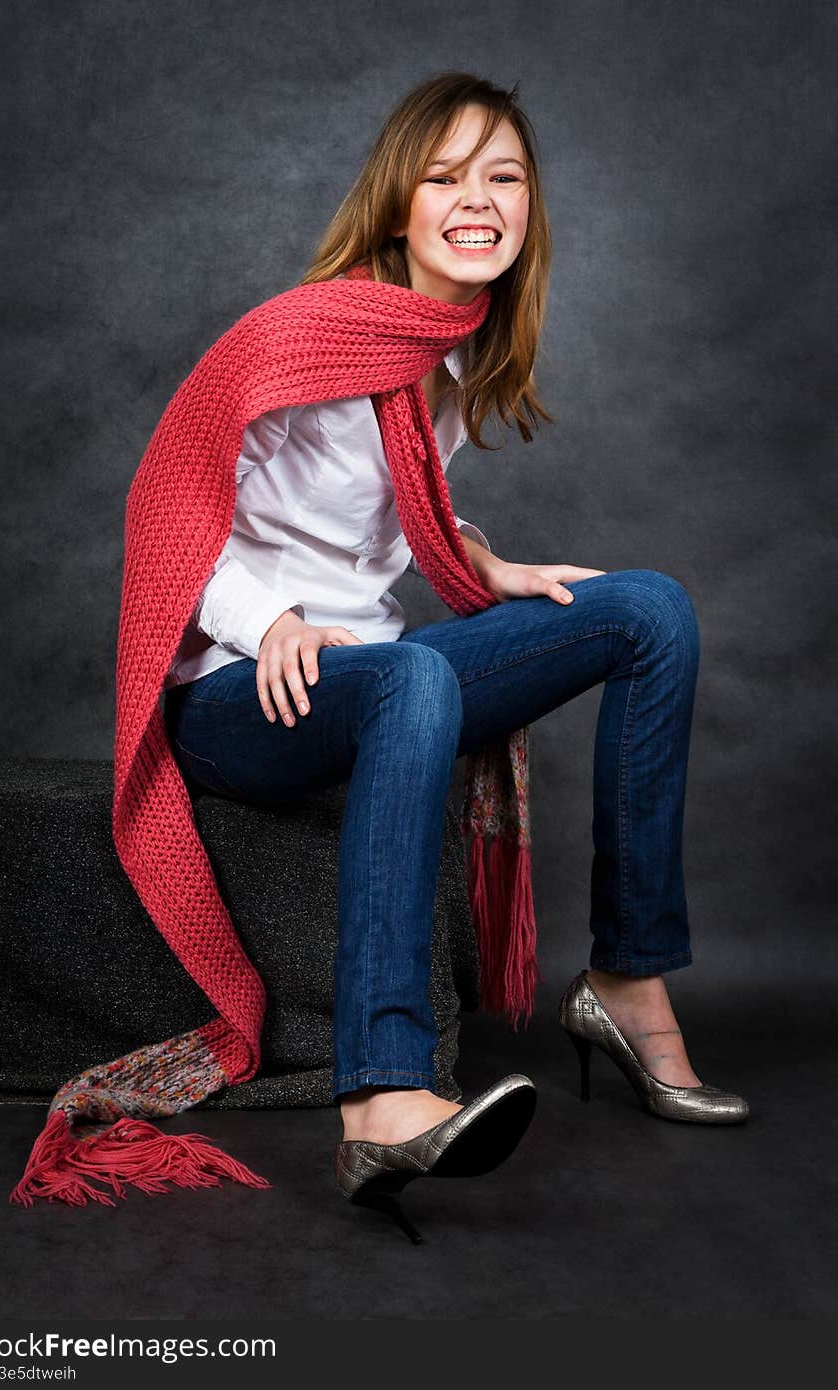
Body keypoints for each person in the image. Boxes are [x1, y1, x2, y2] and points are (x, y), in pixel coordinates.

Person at [162, 72, 748, 1239]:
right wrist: (267, 622)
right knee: (419, 672)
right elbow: (171, 516)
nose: (477, 200)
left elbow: (395, 514)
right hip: (236, 692)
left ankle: (626, 984)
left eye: (505, 177)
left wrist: (483, 562)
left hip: (372, 679)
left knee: (647, 608)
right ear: (396, 207)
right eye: (446, 177)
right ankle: (382, 1096)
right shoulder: (303, 333)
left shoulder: (452, 349)